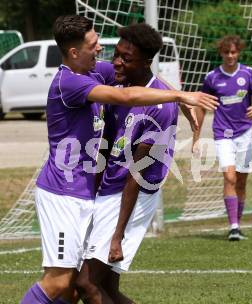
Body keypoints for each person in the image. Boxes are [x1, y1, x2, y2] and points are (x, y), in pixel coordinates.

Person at [20, 15, 217, 304]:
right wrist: (180, 95)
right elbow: (128, 97)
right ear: (75, 52)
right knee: (62, 281)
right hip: (63, 192)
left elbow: (146, 77)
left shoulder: (94, 70)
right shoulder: (71, 82)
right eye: (94, 44)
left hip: (88, 192)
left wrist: (179, 99)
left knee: (79, 286)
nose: (102, 50)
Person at [75, 22, 187, 304]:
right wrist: (94, 189)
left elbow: (137, 175)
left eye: (126, 58)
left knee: (86, 284)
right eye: (117, 54)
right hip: (110, 189)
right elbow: (106, 144)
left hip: (133, 196)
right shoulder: (117, 86)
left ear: (147, 62)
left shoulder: (160, 108)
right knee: (108, 288)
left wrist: (117, 235)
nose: (117, 62)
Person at [192, 35, 252, 241]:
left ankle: (237, 224)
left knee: (241, 180)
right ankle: (233, 227)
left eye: (233, 52)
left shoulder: (248, 73)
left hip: (245, 133)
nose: (230, 56)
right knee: (229, 177)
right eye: (226, 52)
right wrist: (196, 136)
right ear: (221, 53)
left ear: (238, 52)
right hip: (222, 133)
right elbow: (201, 107)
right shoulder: (212, 78)